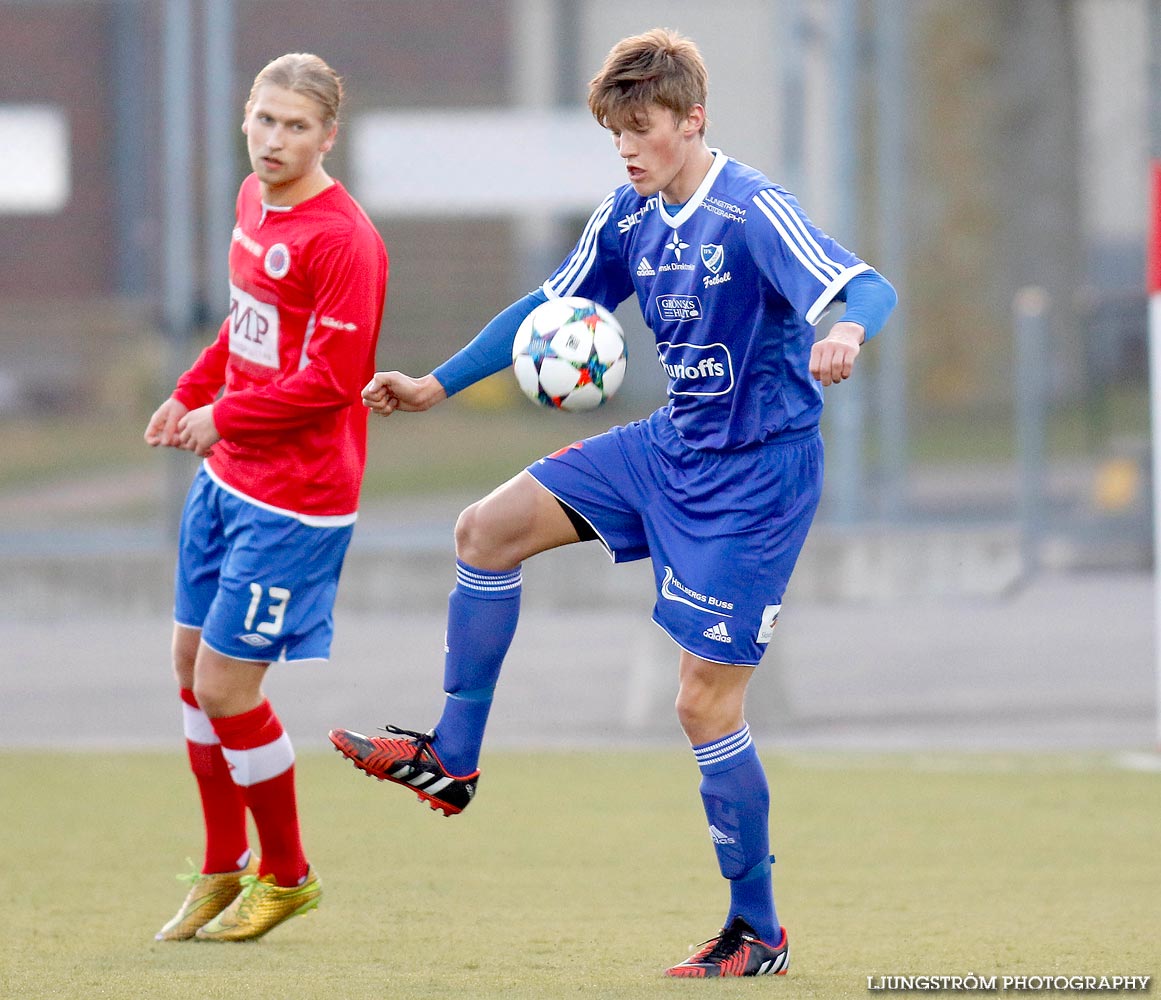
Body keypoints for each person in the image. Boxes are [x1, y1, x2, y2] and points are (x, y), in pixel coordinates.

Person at [330, 28, 894, 976]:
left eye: (641, 129)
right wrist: (435, 384)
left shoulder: (753, 211)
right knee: (486, 528)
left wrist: (844, 334)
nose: (626, 148)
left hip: (756, 479)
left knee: (702, 707)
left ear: (691, 120)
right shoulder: (628, 217)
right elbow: (541, 309)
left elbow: (867, 286)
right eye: (614, 133)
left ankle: (757, 932)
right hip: (667, 449)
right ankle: (453, 759)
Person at [144, 52, 388, 942]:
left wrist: (226, 415)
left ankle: (287, 875)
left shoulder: (343, 239)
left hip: (296, 501)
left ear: (328, 136)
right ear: (246, 118)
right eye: (265, 120)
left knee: (225, 684)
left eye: (296, 126)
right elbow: (245, 324)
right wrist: (190, 390)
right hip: (227, 479)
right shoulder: (254, 203)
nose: (276, 139)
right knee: (187, 671)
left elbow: (333, 380)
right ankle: (220, 868)